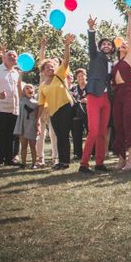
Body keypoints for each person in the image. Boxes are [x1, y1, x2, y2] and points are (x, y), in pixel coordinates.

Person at [79, 15, 114, 173]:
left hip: (106, 98)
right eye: (104, 44)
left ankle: (99, 163)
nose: (106, 45)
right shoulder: (95, 56)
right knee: (93, 131)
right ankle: (84, 164)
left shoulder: (111, 62)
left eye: (109, 44)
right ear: (100, 47)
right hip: (94, 95)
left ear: (112, 48)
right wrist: (91, 29)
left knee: (102, 132)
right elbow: (91, 45)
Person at [37, 33, 75, 170]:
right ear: (43, 71)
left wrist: (67, 45)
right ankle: (62, 161)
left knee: (64, 134)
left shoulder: (59, 75)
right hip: (53, 112)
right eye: (48, 67)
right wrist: (37, 119)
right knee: (60, 136)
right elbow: (41, 105)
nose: (51, 68)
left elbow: (66, 61)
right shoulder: (42, 86)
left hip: (65, 107)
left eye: (52, 66)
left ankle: (64, 162)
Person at [110, 9, 131, 171]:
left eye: (126, 44)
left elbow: (129, 34)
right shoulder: (115, 63)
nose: (124, 44)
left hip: (129, 93)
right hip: (118, 95)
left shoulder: (130, 59)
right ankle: (121, 158)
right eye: (121, 44)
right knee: (119, 125)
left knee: (130, 124)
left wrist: (129, 17)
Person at [0, 48, 21, 167]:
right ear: (4, 58)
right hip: (0, 108)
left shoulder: (16, 72)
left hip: (14, 109)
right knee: (1, 135)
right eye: (9, 55)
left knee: (12, 135)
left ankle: (9, 159)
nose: (12, 57)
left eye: (14, 56)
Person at [13, 82, 38, 169]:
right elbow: (18, 85)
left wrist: (37, 126)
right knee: (23, 146)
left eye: (31, 87)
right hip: (23, 125)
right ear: (23, 91)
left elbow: (37, 116)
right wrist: (21, 74)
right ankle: (23, 163)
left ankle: (34, 163)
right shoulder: (22, 99)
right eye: (26, 88)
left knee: (33, 147)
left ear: (34, 91)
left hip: (32, 125)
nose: (29, 89)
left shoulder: (36, 103)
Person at [70, 68, 88, 161]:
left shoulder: (90, 86)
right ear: (76, 78)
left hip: (89, 113)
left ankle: (92, 152)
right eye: (79, 76)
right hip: (77, 114)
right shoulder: (73, 88)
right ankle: (77, 153)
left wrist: (87, 101)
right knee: (76, 134)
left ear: (86, 76)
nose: (81, 78)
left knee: (91, 133)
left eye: (82, 75)